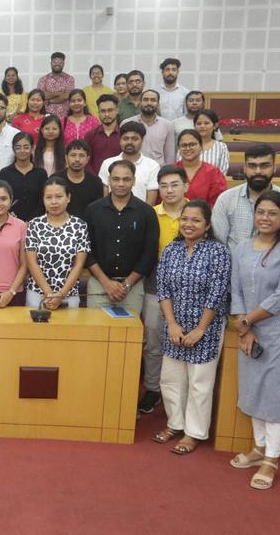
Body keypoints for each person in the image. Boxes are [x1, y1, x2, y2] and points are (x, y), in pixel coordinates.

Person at [229, 190, 280, 490]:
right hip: (250, 329)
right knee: (254, 389)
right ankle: (259, 448)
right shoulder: (241, 247)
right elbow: (235, 289)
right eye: (260, 212)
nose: (265, 218)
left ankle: (271, 459)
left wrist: (247, 320)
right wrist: (245, 327)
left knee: (277, 393)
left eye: (272, 213)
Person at [153, 200, 231, 455]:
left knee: (200, 382)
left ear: (207, 225)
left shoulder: (218, 252)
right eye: (185, 219)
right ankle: (175, 424)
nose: (189, 224)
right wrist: (173, 324)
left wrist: (200, 329)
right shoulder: (171, 250)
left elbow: (217, 293)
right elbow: (163, 289)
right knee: (171, 379)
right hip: (174, 326)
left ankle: (193, 432)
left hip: (205, 328)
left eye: (196, 220)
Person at [140, 165, 191, 416]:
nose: (169, 190)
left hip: (189, 290)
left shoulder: (196, 213)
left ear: (186, 186)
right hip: (154, 284)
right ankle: (152, 388)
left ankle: (181, 394)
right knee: (153, 339)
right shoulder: (150, 214)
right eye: (164, 186)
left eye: (174, 185)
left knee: (185, 339)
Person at [84, 160, 159, 312]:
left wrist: (127, 284)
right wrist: (106, 283)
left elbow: (150, 253)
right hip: (99, 284)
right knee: (97, 333)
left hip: (132, 287)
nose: (121, 183)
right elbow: (86, 250)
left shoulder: (146, 212)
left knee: (129, 334)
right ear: (109, 180)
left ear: (134, 181)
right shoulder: (93, 210)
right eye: (116, 179)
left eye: (126, 179)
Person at [213, 144, 280, 251]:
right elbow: (218, 246)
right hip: (234, 265)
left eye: (264, 166)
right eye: (252, 166)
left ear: (274, 168)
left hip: (274, 265)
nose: (258, 171)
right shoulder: (226, 199)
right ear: (244, 169)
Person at [24, 175, 90, 310]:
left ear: (68, 197)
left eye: (59, 197)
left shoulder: (80, 225)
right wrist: (48, 293)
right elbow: (31, 262)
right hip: (37, 293)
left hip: (69, 295)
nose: (54, 202)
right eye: (48, 197)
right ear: (43, 200)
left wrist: (61, 294)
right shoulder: (34, 224)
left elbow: (79, 265)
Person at [99, 121, 160, 204]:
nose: (129, 142)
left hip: (140, 215)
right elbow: (104, 197)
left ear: (142, 141)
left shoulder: (152, 166)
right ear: (120, 140)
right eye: (125, 138)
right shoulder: (107, 164)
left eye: (134, 139)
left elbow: (150, 202)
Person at [0, 132, 47, 221]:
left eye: (26, 147)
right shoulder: (5, 173)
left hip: (37, 223)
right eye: (18, 147)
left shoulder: (41, 173)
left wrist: (32, 221)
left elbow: (43, 200)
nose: (22, 151)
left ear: (32, 148)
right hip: (10, 221)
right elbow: (1, 199)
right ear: (13, 149)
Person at [121, 90, 175, 165]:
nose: (149, 103)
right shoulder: (126, 123)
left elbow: (169, 155)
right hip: (132, 169)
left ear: (158, 104)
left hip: (158, 171)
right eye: (145, 100)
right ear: (140, 102)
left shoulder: (168, 125)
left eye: (153, 100)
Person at [175, 129, 227, 206]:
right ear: (179, 148)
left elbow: (218, 203)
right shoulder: (171, 171)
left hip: (205, 216)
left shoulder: (213, 172)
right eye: (184, 145)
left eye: (192, 144)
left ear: (201, 147)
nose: (188, 148)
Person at [62, 140, 105, 218]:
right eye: (73, 155)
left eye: (81, 156)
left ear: (88, 158)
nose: (77, 159)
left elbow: (98, 210)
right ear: (66, 157)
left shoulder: (95, 182)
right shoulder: (56, 180)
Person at [86, 94, 122, 175]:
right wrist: (95, 180)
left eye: (110, 110)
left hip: (120, 182)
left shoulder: (124, 135)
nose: (106, 114)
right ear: (98, 112)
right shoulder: (90, 135)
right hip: (95, 182)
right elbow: (86, 161)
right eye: (103, 111)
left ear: (117, 111)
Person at [37, 52, 76, 117]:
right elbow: (41, 95)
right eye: (54, 62)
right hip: (46, 115)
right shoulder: (43, 79)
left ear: (63, 64)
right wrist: (60, 93)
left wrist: (50, 101)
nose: (57, 64)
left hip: (65, 116)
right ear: (51, 63)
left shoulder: (69, 79)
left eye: (60, 62)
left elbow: (67, 96)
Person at [194, 109, 230, 174]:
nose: (202, 126)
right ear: (194, 126)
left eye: (206, 123)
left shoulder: (221, 147)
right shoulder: (186, 145)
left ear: (215, 125)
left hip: (213, 184)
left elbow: (222, 173)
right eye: (199, 123)